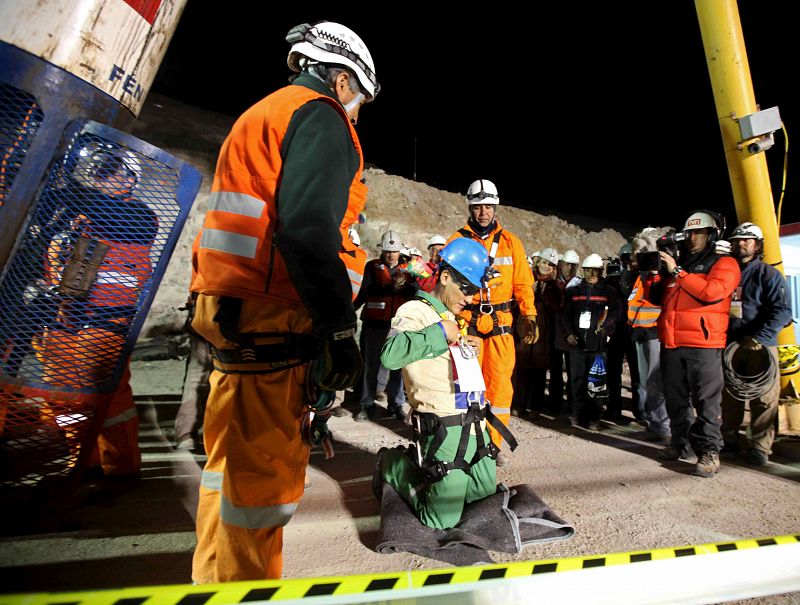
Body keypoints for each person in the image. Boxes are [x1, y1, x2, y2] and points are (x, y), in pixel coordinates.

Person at [187, 21, 378, 582]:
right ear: (342, 79)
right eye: (360, 97)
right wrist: (340, 329)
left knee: (227, 471)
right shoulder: (320, 116)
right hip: (272, 314)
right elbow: (306, 231)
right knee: (260, 487)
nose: (357, 111)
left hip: (234, 309)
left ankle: (213, 581)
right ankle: (245, 590)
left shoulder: (263, 113)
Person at [32, 143, 157, 479]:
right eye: (98, 172)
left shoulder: (141, 216)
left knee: (108, 399)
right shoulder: (75, 214)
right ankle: (83, 464)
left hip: (107, 319)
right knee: (64, 396)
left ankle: (121, 472)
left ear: (131, 179)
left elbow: (106, 212)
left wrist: (66, 190)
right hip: (62, 318)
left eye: (109, 172)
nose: (100, 178)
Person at [375, 238, 501, 529]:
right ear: (445, 277)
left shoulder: (450, 316)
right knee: (441, 520)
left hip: (475, 425)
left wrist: (464, 346)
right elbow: (390, 356)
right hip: (445, 428)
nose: (470, 298)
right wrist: (438, 333)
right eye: (466, 288)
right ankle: (392, 464)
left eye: (474, 290)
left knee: (482, 500)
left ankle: (443, 477)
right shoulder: (415, 311)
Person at [643, 210, 740, 478]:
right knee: (676, 398)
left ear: (711, 235)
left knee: (706, 401)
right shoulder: (681, 263)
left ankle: (709, 451)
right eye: (690, 233)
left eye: (699, 233)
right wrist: (656, 274)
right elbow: (656, 298)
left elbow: (712, 293)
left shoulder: (724, 263)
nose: (693, 238)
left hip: (703, 343)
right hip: (672, 342)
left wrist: (679, 272)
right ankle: (680, 444)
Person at [447, 179, 537, 465]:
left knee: (499, 389)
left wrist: (530, 314)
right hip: (468, 323)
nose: (483, 212)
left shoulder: (511, 242)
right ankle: (468, 442)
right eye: (478, 206)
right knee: (468, 387)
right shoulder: (456, 241)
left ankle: (493, 445)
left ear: (495, 207)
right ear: (470, 208)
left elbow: (523, 283)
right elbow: (445, 282)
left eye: (488, 206)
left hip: (500, 324)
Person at [721, 222, 792, 466]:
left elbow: (783, 311)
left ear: (757, 245)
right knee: (730, 395)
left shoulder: (768, 275)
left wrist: (759, 337)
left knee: (763, 398)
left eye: (746, 240)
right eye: (737, 240)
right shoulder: (726, 273)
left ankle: (760, 448)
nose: (740, 243)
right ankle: (728, 441)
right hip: (731, 345)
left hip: (760, 346)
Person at [354, 229, 417, 421]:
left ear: (400, 251)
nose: (391, 255)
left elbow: (416, 292)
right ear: (382, 251)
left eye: (394, 251)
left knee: (397, 368)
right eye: (388, 251)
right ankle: (366, 404)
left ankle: (396, 405)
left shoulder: (409, 269)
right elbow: (365, 291)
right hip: (375, 325)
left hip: (398, 326)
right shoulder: (372, 266)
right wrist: (350, 309)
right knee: (371, 366)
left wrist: (406, 286)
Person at [560, 253, 620, 429]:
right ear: (583, 271)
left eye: (595, 270)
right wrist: (569, 334)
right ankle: (577, 415)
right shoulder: (574, 291)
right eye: (588, 270)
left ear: (600, 271)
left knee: (596, 383)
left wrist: (607, 330)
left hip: (598, 346)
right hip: (577, 345)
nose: (591, 274)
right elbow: (565, 315)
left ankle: (594, 417)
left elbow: (616, 314)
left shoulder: (609, 292)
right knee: (576, 381)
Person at [628, 227, 672, 443]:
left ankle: (663, 425)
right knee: (647, 382)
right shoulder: (641, 274)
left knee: (656, 380)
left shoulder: (662, 272)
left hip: (655, 331)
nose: (637, 257)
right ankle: (656, 423)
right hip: (641, 332)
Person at [512, 247, 564, 416]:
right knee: (520, 370)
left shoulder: (554, 287)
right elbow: (514, 304)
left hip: (543, 337)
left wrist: (544, 296)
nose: (546, 267)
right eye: (544, 263)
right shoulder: (525, 280)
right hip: (523, 331)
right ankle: (518, 404)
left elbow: (557, 308)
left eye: (550, 265)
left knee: (539, 373)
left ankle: (535, 407)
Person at [604, 243, 640, 425]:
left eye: (630, 258)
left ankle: (640, 411)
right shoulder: (613, 279)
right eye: (625, 258)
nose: (628, 262)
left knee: (637, 374)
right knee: (613, 373)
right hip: (617, 331)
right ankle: (613, 409)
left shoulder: (639, 277)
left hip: (633, 330)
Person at [549, 248, 581, 412]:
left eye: (573, 265)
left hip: (571, 333)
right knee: (555, 371)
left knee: (572, 370)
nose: (570, 268)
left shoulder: (579, 284)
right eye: (567, 265)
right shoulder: (554, 284)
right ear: (561, 265)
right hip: (556, 331)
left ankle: (572, 402)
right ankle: (555, 402)